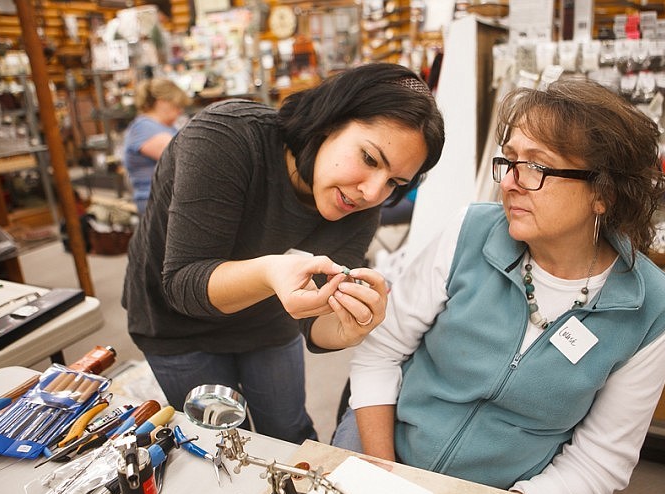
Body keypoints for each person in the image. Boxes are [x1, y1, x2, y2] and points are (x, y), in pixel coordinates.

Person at [333, 77, 665, 494]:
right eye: (510, 160)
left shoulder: (652, 311)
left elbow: (599, 461)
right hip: (384, 447)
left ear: (604, 193)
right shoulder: (470, 232)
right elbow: (381, 351)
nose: (510, 182)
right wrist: (386, 475)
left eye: (537, 166)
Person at [122, 63, 445, 444]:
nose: (372, 193)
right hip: (176, 326)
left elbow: (314, 322)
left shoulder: (360, 203)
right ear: (329, 122)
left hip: (267, 321)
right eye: (370, 159)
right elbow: (183, 283)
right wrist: (270, 273)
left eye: (394, 182)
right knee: (222, 443)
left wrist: (346, 330)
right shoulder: (226, 136)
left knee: (290, 434)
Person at [122, 78, 190, 214]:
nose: (180, 111)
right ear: (162, 102)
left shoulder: (163, 127)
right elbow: (186, 157)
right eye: (177, 105)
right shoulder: (144, 127)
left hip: (168, 201)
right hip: (157, 204)